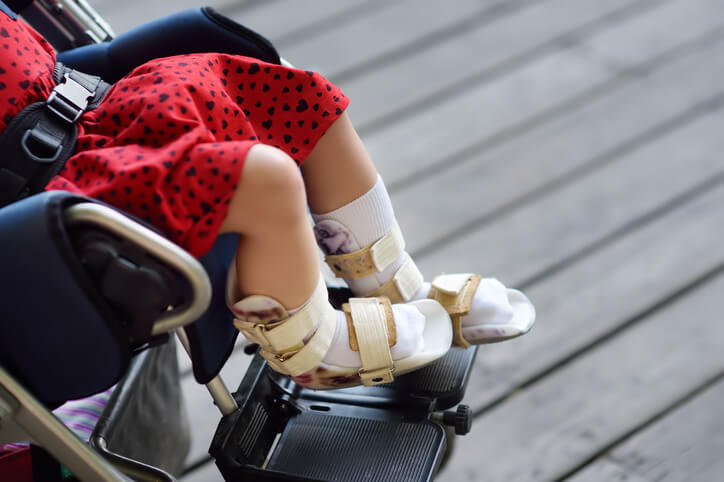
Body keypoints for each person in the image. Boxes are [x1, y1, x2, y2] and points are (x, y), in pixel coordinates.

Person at [0, 11, 535, 390]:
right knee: (264, 176)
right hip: (50, 191)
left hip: (87, 100)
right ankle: (314, 350)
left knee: (302, 97)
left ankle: (394, 284)